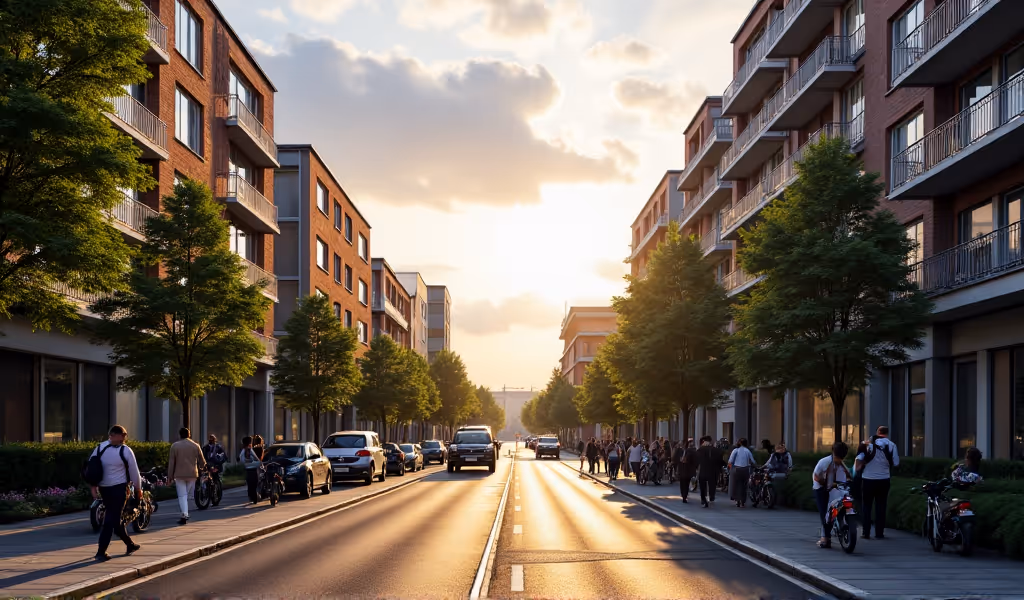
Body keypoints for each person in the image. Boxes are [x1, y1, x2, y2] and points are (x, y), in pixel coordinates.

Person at [90, 425, 142, 561]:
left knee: (114, 517)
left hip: (104, 488)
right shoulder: (125, 451)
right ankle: (101, 552)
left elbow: (91, 468)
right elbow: (134, 473)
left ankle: (129, 544)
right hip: (119, 489)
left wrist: (93, 487)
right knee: (110, 519)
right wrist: (138, 489)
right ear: (117, 435)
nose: (125, 438)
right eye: (123, 435)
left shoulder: (100, 448)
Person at [860, 425, 900, 539]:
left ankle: (865, 532)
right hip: (884, 479)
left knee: (866, 506)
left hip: (868, 479)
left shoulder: (868, 444)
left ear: (877, 432)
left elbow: (860, 458)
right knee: (881, 506)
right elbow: (896, 463)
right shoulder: (892, 445)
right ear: (887, 433)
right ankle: (879, 533)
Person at [813, 441, 851, 549]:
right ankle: (825, 538)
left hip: (837, 488)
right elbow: (816, 476)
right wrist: (825, 483)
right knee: (825, 512)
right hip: (821, 488)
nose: (839, 460)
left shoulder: (842, 465)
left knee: (841, 505)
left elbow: (848, 475)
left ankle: (842, 523)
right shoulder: (824, 462)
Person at [168, 427, 206, 525]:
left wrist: (170, 476)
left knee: (182, 495)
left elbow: (172, 462)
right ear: (189, 434)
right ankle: (185, 512)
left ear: (180, 435)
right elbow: (202, 460)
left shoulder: (175, 446)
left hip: (179, 474)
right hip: (192, 474)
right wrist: (203, 468)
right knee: (187, 494)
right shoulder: (195, 445)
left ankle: (184, 514)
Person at [696, 436, 724, 508]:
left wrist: (696, 468)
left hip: (703, 470)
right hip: (713, 471)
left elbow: (696, 460)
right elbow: (720, 460)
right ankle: (711, 496)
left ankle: (703, 499)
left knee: (702, 485)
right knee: (712, 484)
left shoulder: (700, 450)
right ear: (710, 441)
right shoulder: (716, 450)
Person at [728, 438, 757, 508]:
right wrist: (756, 465)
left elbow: (730, 461)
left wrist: (729, 468)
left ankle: (737, 500)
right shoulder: (747, 451)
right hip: (745, 470)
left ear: (739, 443)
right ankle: (742, 502)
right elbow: (753, 461)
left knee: (736, 485)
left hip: (737, 469)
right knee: (744, 486)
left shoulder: (735, 450)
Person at [240, 436, 262, 503]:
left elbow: (241, 459)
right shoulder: (250, 449)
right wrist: (259, 463)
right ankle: (254, 497)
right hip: (253, 468)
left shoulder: (243, 451)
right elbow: (256, 457)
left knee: (250, 484)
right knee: (255, 483)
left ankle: (251, 496)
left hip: (247, 469)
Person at [677, 438, 698, 503]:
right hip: (687, 470)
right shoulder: (693, 452)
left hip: (685, 470)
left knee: (684, 484)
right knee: (685, 483)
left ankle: (684, 495)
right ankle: (684, 495)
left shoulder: (684, 451)